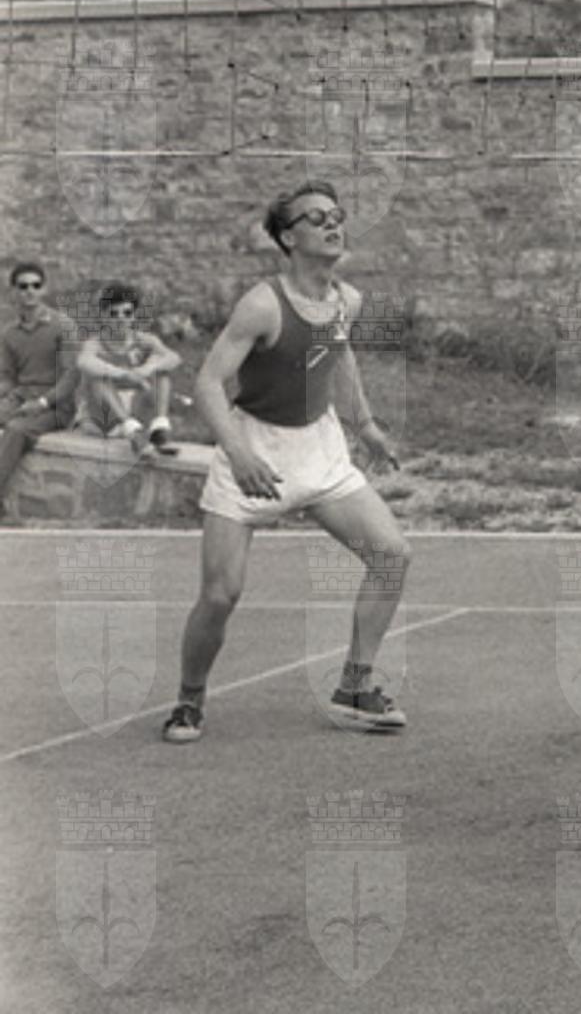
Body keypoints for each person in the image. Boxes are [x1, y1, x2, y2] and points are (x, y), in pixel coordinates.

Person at [160, 181, 408, 743]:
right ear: (288, 238)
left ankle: (355, 687)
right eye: (315, 218)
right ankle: (189, 701)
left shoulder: (347, 300)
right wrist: (238, 451)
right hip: (254, 448)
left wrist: (365, 425)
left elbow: (339, 356)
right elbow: (208, 382)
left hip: (319, 450)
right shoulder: (263, 304)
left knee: (392, 556)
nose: (332, 224)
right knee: (220, 594)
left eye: (336, 215)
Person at [0, 262, 82, 514]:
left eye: (36, 285)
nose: (30, 291)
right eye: (23, 286)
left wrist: (43, 402)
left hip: (56, 407)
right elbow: (8, 378)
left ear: (44, 289)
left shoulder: (63, 326)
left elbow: (71, 376)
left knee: (16, 429)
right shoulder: (9, 333)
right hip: (22, 398)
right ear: (14, 291)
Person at [76, 283, 181, 456]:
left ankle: (160, 427)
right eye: (113, 314)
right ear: (103, 316)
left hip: (135, 412)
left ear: (134, 315)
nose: (121, 319)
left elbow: (174, 358)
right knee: (97, 377)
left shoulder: (144, 339)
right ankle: (131, 430)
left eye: (127, 313)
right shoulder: (95, 343)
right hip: (104, 417)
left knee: (161, 371)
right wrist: (123, 373)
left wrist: (148, 368)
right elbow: (84, 361)